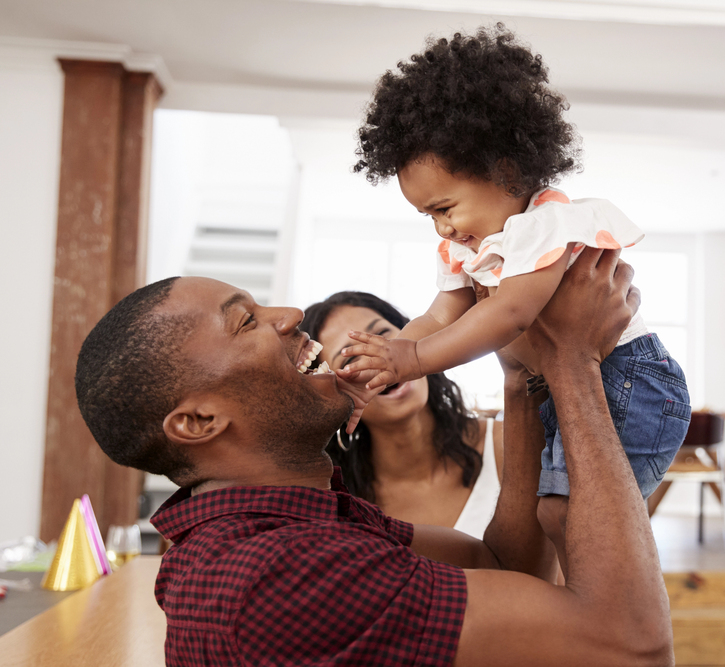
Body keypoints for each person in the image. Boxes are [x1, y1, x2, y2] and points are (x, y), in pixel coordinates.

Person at [74, 247, 673, 666]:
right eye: (247, 322)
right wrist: (573, 359)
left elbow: (500, 565)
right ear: (199, 421)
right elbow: (629, 646)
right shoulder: (281, 574)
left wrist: (521, 372)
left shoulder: (301, 521)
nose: (289, 317)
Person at [346, 25, 691, 568]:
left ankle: (608, 616)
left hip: (632, 381)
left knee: (579, 518)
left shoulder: (546, 225)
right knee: (554, 514)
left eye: (444, 208)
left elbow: (510, 315)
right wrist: (383, 369)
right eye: (428, 217)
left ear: (505, 171)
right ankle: (585, 613)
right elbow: (441, 314)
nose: (441, 229)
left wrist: (411, 358)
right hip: (565, 383)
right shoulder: (471, 249)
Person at [301, 291, 503, 538]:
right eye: (351, 360)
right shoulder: (342, 508)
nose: (379, 359)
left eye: (383, 336)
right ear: (333, 400)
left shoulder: (507, 443)